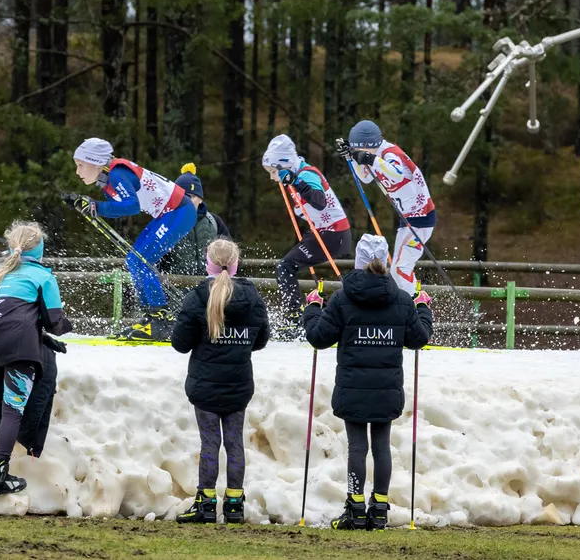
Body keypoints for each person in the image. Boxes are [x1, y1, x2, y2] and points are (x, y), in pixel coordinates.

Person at [301, 234, 434, 530]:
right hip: (387, 389)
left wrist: (312, 308)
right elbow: (419, 338)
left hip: (353, 387)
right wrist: (423, 308)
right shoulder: (401, 300)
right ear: (385, 261)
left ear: (358, 262)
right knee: (381, 447)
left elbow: (318, 337)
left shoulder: (342, 299)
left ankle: (356, 508)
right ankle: (380, 508)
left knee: (357, 448)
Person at [170, 238, 270, 524]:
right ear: (235, 264)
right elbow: (260, 340)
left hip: (205, 384)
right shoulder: (252, 298)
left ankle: (205, 504)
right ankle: (235, 504)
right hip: (238, 383)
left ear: (208, 264)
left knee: (210, 443)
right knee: (235, 443)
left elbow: (180, 343)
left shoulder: (197, 297)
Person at [66, 138, 198, 341]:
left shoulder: (117, 174)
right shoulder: (109, 178)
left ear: (95, 162)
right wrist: (87, 205)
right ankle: (150, 316)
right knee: (133, 260)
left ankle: (160, 319)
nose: (77, 171)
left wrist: (95, 206)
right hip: (169, 213)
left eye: (80, 165)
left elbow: (131, 206)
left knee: (143, 261)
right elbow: (118, 209)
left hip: (179, 211)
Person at [0, 221, 71, 496]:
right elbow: (54, 322)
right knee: (13, 410)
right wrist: (68, 325)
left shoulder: (2, 275)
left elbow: (13, 314)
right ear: (40, 251)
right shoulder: (43, 276)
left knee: (4, 405)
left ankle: (1, 455)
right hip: (17, 345)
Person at [261, 134, 352, 330]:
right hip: (325, 232)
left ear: (284, 165)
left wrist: (295, 181)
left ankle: (293, 317)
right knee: (288, 266)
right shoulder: (298, 174)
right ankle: (322, 314)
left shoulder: (306, 174)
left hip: (332, 233)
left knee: (285, 266)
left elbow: (320, 202)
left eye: (273, 172)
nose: (272, 177)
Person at [336, 120, 436, 295]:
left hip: (421, 218)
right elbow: (365, 177)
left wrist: (370, 159)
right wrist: (352, 158)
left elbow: (396, 174)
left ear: (368, 145)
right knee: (398, 268)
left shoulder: (390, 153)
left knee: (400, 268)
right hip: (408, 218)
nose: (358, 152)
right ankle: (411, 302)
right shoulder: (375, 154)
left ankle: (414, 304)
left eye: (359, 149)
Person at [161, 163, 231, 276]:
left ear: (200, 199)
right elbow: (157, 262)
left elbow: (233, 257)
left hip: (211, 285)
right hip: (175, 284)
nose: (187, 200)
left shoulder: (214, 222)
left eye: (192, 196)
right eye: (183, 196)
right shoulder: (167, 224)